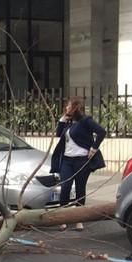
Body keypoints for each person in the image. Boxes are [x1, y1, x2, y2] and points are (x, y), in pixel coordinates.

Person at [50, 96, 106, 231]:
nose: (66, 108)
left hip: (81, 161)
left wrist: (93, 148)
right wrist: (62, 120)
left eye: (68, 106)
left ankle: (79, 219)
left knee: (80, 189)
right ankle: (63, 218)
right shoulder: (68, 122)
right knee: (65, 187)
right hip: (67, 161)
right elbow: (59, 135)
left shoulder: (85, 121)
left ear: (74, 108)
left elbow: (101, 132)